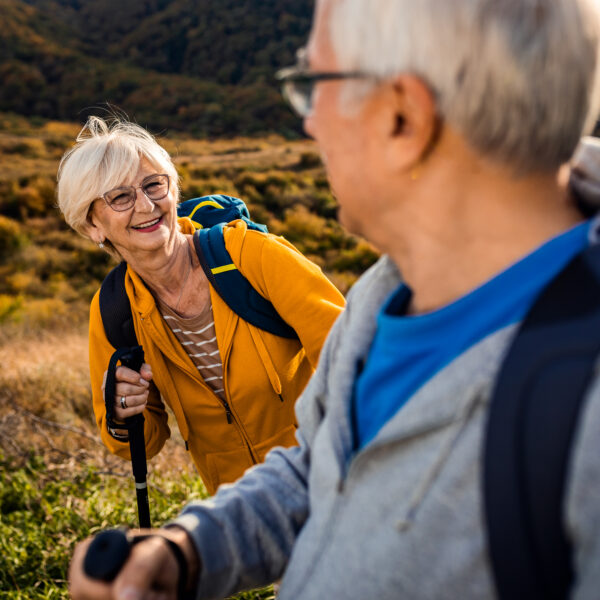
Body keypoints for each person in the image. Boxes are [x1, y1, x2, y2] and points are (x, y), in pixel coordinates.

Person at [69, 0, 600, 598]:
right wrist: (189, 551)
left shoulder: (586, 404)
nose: (309, 123)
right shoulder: (388, 293)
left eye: (314, 84)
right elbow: (322, 466)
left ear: (404, 118)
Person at [56, 116, 345, 495]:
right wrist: (125, 411)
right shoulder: (113, 311)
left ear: (173, 190)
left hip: (333, 477)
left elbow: (353, 357)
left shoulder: (253, 257)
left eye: (154, 185)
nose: (146, 205)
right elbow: (138, 445)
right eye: (120, 197)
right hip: (243, 508)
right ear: (92, 225)